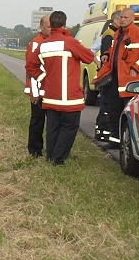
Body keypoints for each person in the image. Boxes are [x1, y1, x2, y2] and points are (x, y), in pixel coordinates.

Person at [25, 11, 95, 165]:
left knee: (53, 127)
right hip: (69, 97)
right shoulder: (69, 42)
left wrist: (43, 77)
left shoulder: (43, 44)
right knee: (69, 127)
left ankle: (51, 155)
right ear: (64, 24)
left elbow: (30, 65)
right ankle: (58, 158)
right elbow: (89, 58)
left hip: (51, 95)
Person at [94, 7, 139, 148]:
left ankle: (132, 143)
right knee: (113, 110)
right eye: (121, 17)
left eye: (125, 17)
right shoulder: (118, 34)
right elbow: (115, 51)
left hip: (131, 82)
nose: (122, 19)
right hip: (116, 79)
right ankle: (116, 140)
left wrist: (137, 67)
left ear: (133, 19)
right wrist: (107, 55)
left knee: (129, 114)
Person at [24, 15, 51, 157]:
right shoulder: (36, 43)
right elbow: (31, 68)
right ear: (41, 27)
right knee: (38, 120)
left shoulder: (50, 41)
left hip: (49, 90)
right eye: (48, 26)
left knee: (51, 122)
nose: (51, 29)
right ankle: (35, 150)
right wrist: (34, 91)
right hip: (38, 91)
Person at [94, 11, 121, 142]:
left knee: (105, 103)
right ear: (115, 20)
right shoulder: (110, 35)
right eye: (121, 19)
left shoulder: (110, 33)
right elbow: (107, 56)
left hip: (106, 74)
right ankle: (103, 132)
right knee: (107, 103)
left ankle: (101, 130)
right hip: (108, 75)